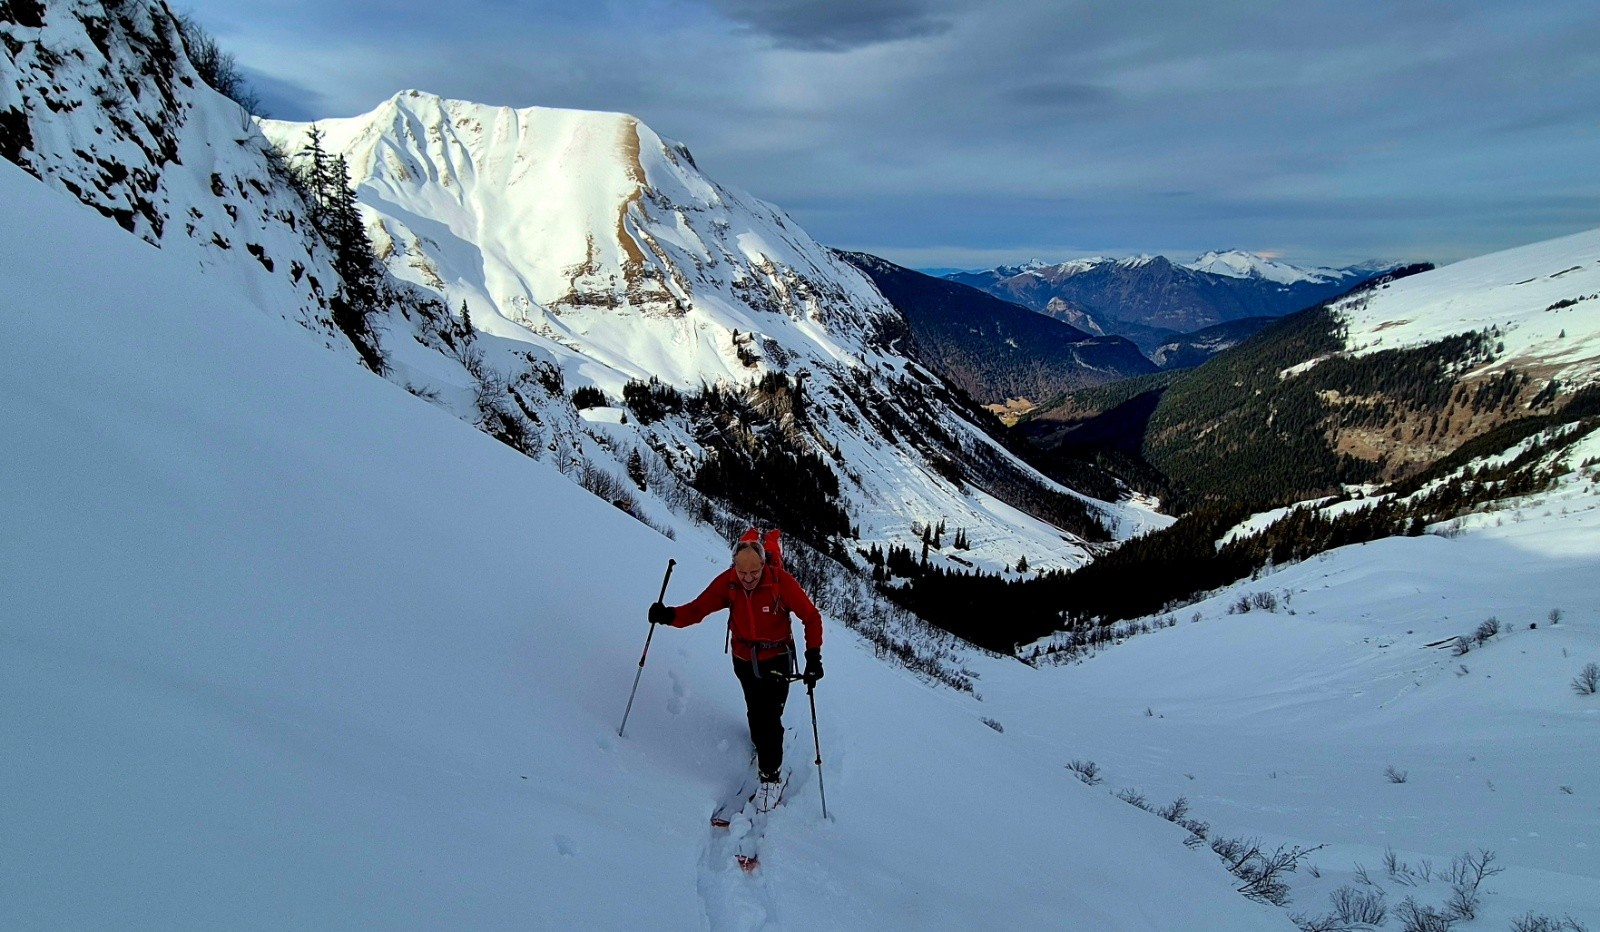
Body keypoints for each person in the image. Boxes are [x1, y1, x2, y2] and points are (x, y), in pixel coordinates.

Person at [649, 530, 823, 812]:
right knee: (754, 710)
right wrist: (668, 616)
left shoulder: (781, 582)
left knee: (769, 717)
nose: (749, 578)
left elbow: (811, 617)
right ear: (734, 567)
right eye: (743, 572)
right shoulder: (729, 583)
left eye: (755, 572)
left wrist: (813, 656)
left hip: (777, 658)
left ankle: (771, 777)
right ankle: (763, 746)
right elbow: (697, 610)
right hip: (743, 658)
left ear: (764, 564)